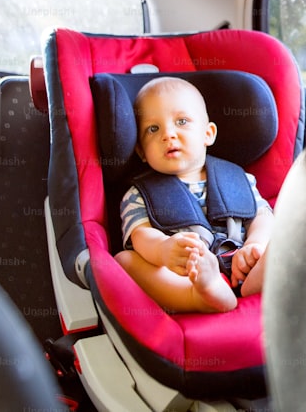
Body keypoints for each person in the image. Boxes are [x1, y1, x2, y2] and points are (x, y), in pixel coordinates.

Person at [115, 76, 272, 313]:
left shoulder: (239, 178)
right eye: (153, 129)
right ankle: (198, 296)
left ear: (208, 133)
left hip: (243, 262)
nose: (168, 134)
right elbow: (140, 235)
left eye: (182, 121)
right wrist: (163, 249)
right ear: (141, 151)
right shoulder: (139, 194)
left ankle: (256, 279)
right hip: (187, 275)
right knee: (124, 262)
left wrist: (254, 245)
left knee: (281, 232)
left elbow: (262, 217)